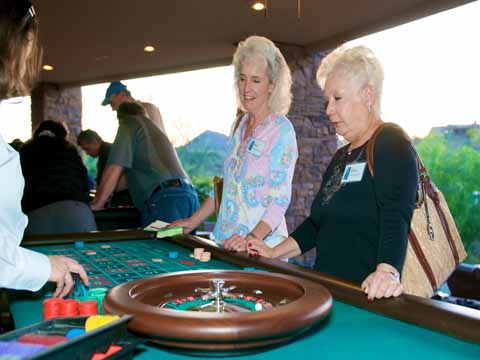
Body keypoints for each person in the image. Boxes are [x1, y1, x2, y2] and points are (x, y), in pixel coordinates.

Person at [247, 46, 418, 300]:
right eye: (327, 101)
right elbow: (318, 224)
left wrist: (387, 272)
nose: (328, 110)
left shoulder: (390, 141)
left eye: (337, 99)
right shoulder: (341, 156)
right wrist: (273, 252)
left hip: (365, 299)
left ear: (368, 95)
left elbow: (396, 214)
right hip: (327, 292)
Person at [171, 36, 298, 251]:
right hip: (225, 243)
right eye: (242, 79)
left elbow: (278, 202)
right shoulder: (239, 126)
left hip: (258, 249)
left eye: (256, 80)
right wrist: (191, 222)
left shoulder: (281, 130)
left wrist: (249, 238)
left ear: (272, 86)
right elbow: (223, 188)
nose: (246, 88)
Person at [0, 0, 88, 297]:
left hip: (41, 215)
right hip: (76, 212)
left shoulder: (28, 150)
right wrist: (43, 267)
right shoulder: (69, 151)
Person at [90, 102, 199, 226]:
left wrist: (97, 203)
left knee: (158, 244)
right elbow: (123, 181)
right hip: (188, 197)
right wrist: (108, 190)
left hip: (165, 200)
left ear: (120, 118)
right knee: (181, 244)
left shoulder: (129, 123)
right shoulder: (153, 132)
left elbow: (115, 166)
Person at [20, 120, 97, 235]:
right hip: (77, 212)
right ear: (63, 136)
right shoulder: (69, 150)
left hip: (36, 215)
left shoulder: (25, 151)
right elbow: (84, 182)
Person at [77, 129, 133, 207]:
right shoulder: (109, 149)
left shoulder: (106, 153)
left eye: (87, 149)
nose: (87, 153)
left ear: (94, 142)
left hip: (124, 197)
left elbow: (105, 182)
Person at [101, 81, 167, 135]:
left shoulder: (149, 108)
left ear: (121, 95)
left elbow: (157, 139)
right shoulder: (125, 118)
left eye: (112, 103)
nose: (113, 109)